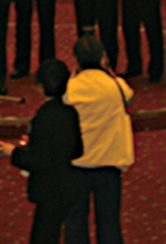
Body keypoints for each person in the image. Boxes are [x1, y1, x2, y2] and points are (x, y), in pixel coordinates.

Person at [0, 59, 83, 244]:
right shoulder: (70, 113)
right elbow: (76, 150)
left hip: (49, 188)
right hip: (67, 184)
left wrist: (14, 152)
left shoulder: (43, 117)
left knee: (43, 236)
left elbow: (38, 160)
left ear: (40, 87)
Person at [64, 35, 133, 244]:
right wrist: (110, 73)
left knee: (75, 223)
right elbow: (129, 96)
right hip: (109, 163)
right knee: (109, 223)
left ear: (76, 60)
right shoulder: (116, 86)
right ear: (103, 58)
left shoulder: (70, 87)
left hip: (76, 164)